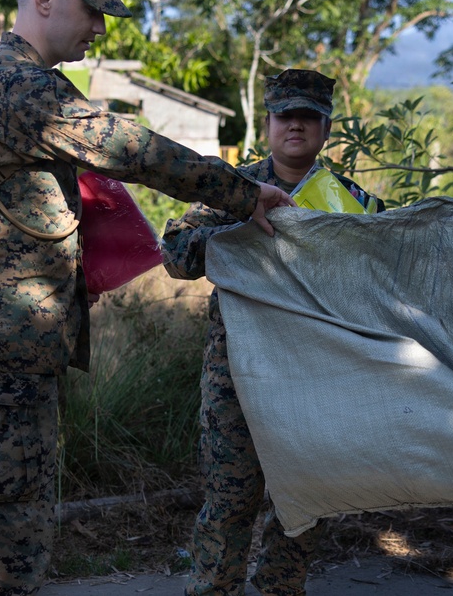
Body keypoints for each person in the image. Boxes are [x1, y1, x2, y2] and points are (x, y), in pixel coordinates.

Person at [0, 0, 293, 595]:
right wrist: (241, 191)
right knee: (5, 533)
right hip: (0, 345)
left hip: (10, 342)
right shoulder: (20, 86)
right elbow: (131, 148)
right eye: (91, 8)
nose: (99, 26)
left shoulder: (17, 79)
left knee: (14, 518)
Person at [163, 69, 384, 596]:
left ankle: (281, 589)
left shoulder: (351, 202)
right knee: (230, 496)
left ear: (326, 127)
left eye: (309, 117)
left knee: (303, 499)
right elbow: (174, 255)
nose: (296, 127)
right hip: (237, 370)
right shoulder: (229, 188)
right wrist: (238, 229)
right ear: (267, 123)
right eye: (286, 116)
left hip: (315, 373)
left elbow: (377, 285)